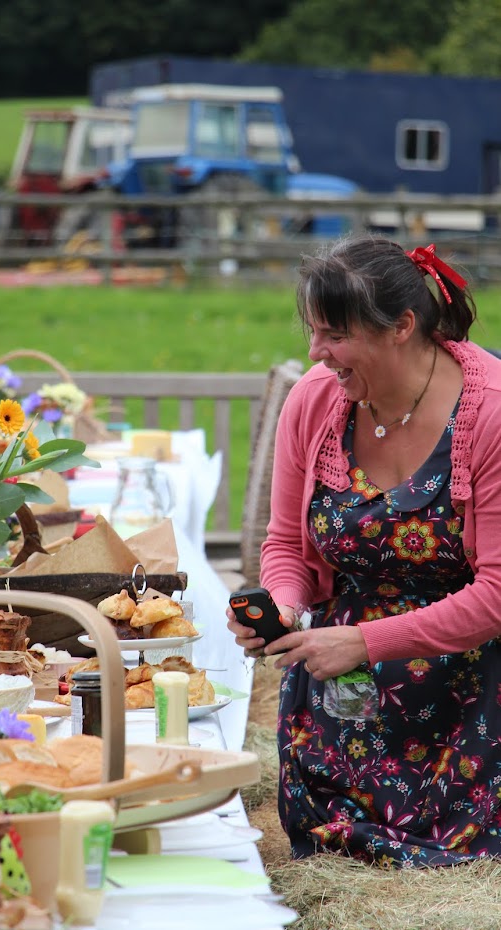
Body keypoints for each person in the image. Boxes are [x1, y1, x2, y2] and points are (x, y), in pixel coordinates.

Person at [227, 234, 501, 867]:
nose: (317, 355)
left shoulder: (486, 412)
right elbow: (288, 546)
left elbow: (494, 595)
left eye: (335, 336)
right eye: (315, 333)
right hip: (340, 687)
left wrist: (366, 642)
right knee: (333, 851)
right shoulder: (315, 402)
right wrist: (284, 607)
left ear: (402, 326)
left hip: (470, 695)